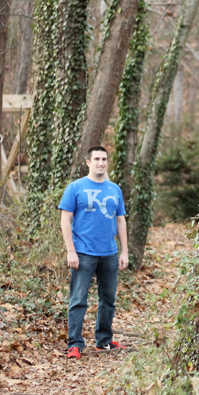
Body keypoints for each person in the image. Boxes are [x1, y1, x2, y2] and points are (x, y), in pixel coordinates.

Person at [59, 146, 129, 359]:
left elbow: (120, 220)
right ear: (88, 162)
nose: (101, 162)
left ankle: (104, 341)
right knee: (78, 299)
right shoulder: (75, 187)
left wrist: (124, 251)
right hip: (83, 253)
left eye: (104, 159)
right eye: (96, 159)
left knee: (108, 299)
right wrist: (71, 251)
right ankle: (75, 344)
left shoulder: (114, 189)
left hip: (109, 253)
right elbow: (65, 220)